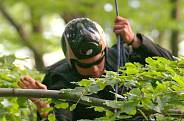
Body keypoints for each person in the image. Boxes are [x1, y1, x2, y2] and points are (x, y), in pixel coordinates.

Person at [18, 16, 175, 121]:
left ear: (104, 51)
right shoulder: (59, 77)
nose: (94, 70)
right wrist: (44, 106)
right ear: (71, 62)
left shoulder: (121, 56)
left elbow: (170, 66)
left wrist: (135, 40)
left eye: (99, 61)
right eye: (85, 65)